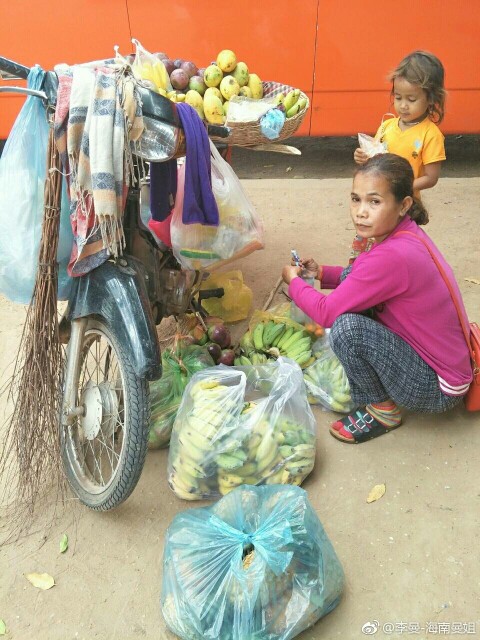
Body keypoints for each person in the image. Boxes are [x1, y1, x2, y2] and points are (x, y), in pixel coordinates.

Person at [281, 154, 472, 444]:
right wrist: (322, 273)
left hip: (438, 389)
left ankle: (382, 409)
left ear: (404, 205)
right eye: (355, 199)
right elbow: (359, 275)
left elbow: (326, 312)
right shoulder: (404, 235)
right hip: (445, 365)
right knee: (355, 290)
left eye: (374, 202)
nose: (361, 212)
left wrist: (294, 282)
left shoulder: (391, 255)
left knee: (347, 328)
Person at [350, 50, 446, 262]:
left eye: (411, 99)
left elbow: (431, 178)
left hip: (404, 206)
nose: (403, 105)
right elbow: (375, 161)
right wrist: (363, 158)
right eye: (398, 97)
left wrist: (401, 189)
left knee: (395, 254)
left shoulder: (430, 135)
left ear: (431, 99)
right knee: (369, 251)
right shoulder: (387, 126)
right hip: (376, 204)